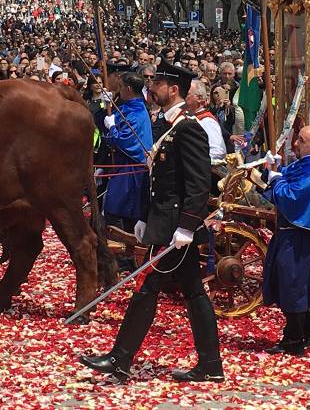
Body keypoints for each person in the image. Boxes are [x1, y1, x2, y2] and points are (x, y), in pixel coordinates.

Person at [79, 63, 223, 383]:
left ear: (173, 89)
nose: (151, 87)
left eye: (157, 82)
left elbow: (198, 186)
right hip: (165, 222)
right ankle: (211, 365)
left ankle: (120, 359)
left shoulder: (188, 127)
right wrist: (144, 218)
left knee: (147, 288)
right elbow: (157, 179)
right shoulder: (166, 124)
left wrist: (186, 226)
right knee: (194, 293)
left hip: (177, 228)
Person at [256, 124, 310, 355]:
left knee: (294, 286)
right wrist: (272, 170)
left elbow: (291, 196)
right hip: (287, 233)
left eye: (301, 140)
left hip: (300, 237)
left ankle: (294, 338)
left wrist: (276, 180)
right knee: (282, 282)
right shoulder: (305, 165)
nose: (295, 144)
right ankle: (309, 327)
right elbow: (282, 180)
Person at [100, 72, 152, 272]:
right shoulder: (128, 108)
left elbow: (125, 142)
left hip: (132, 169)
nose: (118, 90)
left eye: (121, 87)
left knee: (118, 211)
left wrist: (112, 127)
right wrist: (107, 109)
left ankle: (125, 260)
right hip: (123, 166)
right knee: (116, 210)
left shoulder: (137, 112)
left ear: (129, 89)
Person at [185, 79, 227, 164]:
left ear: (199, 98)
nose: (184, 97)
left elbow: (218, 151)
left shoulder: (207, 121)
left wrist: (194, 159)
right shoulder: (189, 116)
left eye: (187, 94)